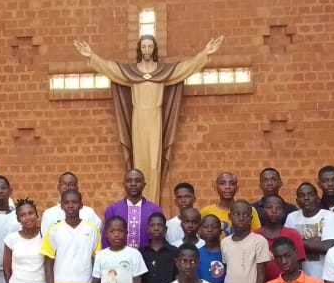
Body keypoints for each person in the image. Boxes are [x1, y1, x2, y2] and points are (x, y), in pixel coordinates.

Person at [73, 34, 224, 202]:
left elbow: (184, 68)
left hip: (155, 118)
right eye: (144, 46)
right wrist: (92, 56)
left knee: (154, 164)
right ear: (139, 49)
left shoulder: (163, 72)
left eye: (150, 46)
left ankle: (152, 202)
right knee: (139, 161)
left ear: (154, 49)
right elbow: (111, 68)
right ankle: (139, 201)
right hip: (138, 119)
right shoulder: (131, 72)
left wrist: (205, 53)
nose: (147, 50)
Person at [41, 188, 101, 283]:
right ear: (61, 206)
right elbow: (48, 264)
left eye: (75, 202)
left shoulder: (92, 230)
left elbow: (98, 264)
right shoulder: (54, 230)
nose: (71, 205)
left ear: (81, 205)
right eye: (66, 202)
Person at [3, 198, 48, 283]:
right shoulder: (11, 239)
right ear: (18, 219)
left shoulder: (46, 238)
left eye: (30, 213)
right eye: (22, 215)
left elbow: (50, 266)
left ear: (37, 214)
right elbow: (6, 268)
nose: (27, 218)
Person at [102, 169, 164, 250]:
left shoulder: (155, 210)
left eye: (138, 181)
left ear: (144, 185)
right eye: (129, 181)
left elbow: (161, 237)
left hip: (148, 256)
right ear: (124, 184)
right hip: (118, 256)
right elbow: (105, 238)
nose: (133, 184)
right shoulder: (112, 210)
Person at [254, 196, 307, 281]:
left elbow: (298, 265)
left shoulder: (293, 234)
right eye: (269, 207)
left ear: (283, 212)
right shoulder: (254, 236)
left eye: (278, 208)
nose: (274, 211)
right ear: (262, 211)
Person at [201, 171, 257, 236]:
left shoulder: (249, 210)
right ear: (215, 188)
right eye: (222, 183)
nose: (227, 187)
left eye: (232, 184)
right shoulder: (206, 211)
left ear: (237, 188)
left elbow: (256, 235)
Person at [197, 215, 226, 283]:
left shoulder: (226, 252)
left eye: (214, 227)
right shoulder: (197, 254)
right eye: (206, 227)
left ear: (220, 231)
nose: (210, 230)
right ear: (200, 230)